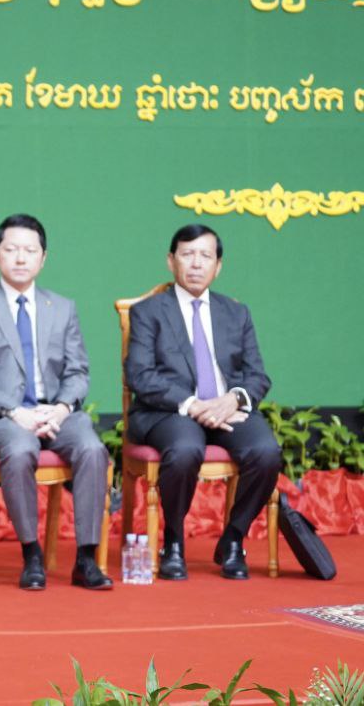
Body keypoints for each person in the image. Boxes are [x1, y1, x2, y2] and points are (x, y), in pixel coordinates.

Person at [0, 214, 113, 591]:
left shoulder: (63, 307)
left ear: (44, 258)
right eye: (11, 249)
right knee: (20, 448)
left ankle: (86, 559)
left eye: (30, 250)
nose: (21, 258)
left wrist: (61, 408)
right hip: (1, 416)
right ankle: (32, 555)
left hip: (55, 412)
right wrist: (16, 412)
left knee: (92, 449)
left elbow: (78, 372)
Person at [125, 224, 280, 580]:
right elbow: (140, 375)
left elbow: (257, 375)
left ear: (218, 266)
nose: (196, 263)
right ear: (171, 260)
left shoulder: (236, 313)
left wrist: (233, 399)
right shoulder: (148, 312)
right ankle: (173, 542)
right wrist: (193, 405)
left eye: (205, 256)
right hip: (170, 411)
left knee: (266, 452)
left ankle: (233, 539)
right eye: (187, 254)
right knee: (184, 449)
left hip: (227, 410)